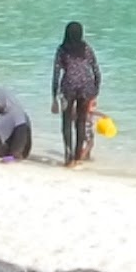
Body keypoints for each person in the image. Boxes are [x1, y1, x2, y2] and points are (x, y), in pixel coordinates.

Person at [53, 21, 102, 165]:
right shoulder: (86, 48)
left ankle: (68, 158)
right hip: (86, 87)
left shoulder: (62, 49)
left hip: (68, 87)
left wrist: (54, 96)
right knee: (81, 122)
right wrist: (95, 91)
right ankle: (77, 157)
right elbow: (96, 71)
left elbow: (56, 74)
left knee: (67, 122)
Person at [0, 88, 33, 161]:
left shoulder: (18, 115)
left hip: (19, 150)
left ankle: (12, 156)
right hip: (6, 146)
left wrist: (12, 156)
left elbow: (21, 138)